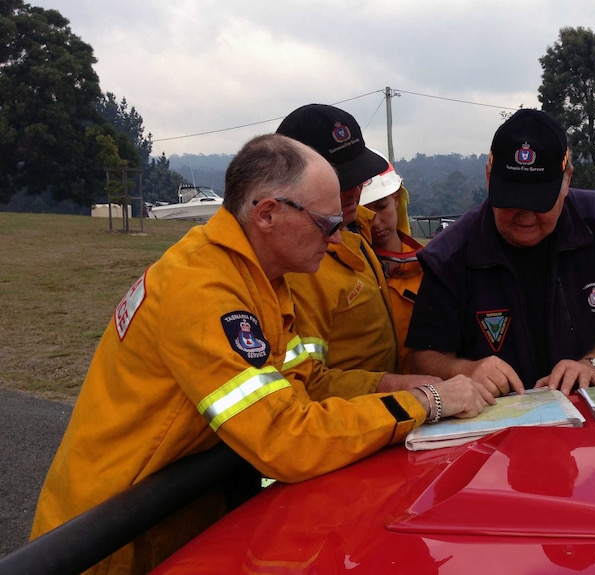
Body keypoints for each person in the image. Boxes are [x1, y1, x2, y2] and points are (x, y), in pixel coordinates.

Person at [30, 134, 490, 575]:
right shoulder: (203, 292)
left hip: (174, 515)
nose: (337, 241)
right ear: (267, 213)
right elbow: (283, 439)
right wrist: (424, 404)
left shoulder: (258, 278)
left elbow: (304, 382)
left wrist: (396, 385)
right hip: (111, 540)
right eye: (328, 225)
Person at [405, 109, 595, 396]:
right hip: (495, 426)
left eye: (539, 202)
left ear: (567, 180)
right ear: (489, 178)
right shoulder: (448, 255)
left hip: (592, 423)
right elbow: (423, 356)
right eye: (511, 199)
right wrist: (465, 371)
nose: (525, 216)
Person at [276, 104, 433, 400]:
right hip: (353, 417)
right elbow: (308, 384)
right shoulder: (299, 264)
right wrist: (400, 389)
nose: (354, 190)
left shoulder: (359, 229)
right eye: (340, 180)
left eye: (358, 175)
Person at [359, 150, 424, 368]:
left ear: (396, 200)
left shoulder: (430, 266)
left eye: (380, 206)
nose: (374, 222)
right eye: (363, 212)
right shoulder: (347, 273)